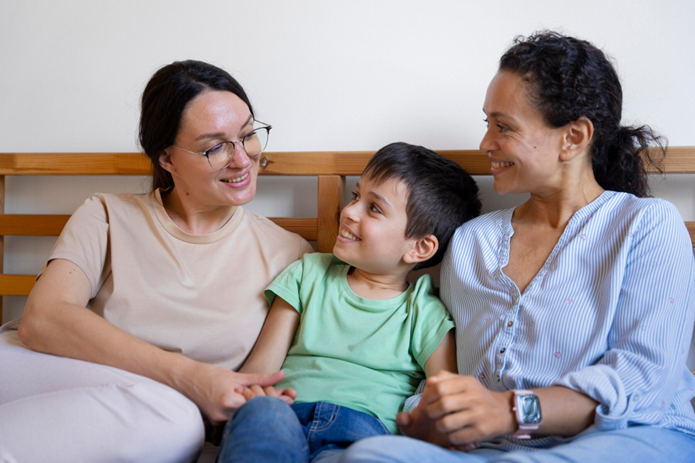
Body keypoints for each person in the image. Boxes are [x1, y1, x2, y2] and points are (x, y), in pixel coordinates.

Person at [342, 31, 695, 463]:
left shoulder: (645, 226)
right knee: (369, 454)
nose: (485, 143)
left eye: (503, 126)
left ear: (574, 137)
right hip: (493, 451)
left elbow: (642, 385)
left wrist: (510, 410)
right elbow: (457, 375)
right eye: (486, 122)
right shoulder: (473, 243)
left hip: (630, 440)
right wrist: (430, 421)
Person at [0, 60, 313, 462]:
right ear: (166, 157)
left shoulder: (289, 255)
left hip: (143, 420)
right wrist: (191, 377)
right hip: (36, 373)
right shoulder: (106, 215)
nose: (241, 159)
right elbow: (42, 320)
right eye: (215, 146)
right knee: (175, 417)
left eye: (248, 134)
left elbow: (246, 387)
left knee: (176, 422)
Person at [214, 142, 482, 463]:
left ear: (420, 248)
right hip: (285, 411)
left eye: (374, 208)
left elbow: (445, 400)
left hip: (363, 432)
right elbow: (260, 369)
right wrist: (255, 396)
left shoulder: (424, 312)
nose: (348, 211)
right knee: (261, 417)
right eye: (356, 196)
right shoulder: (308, 273)